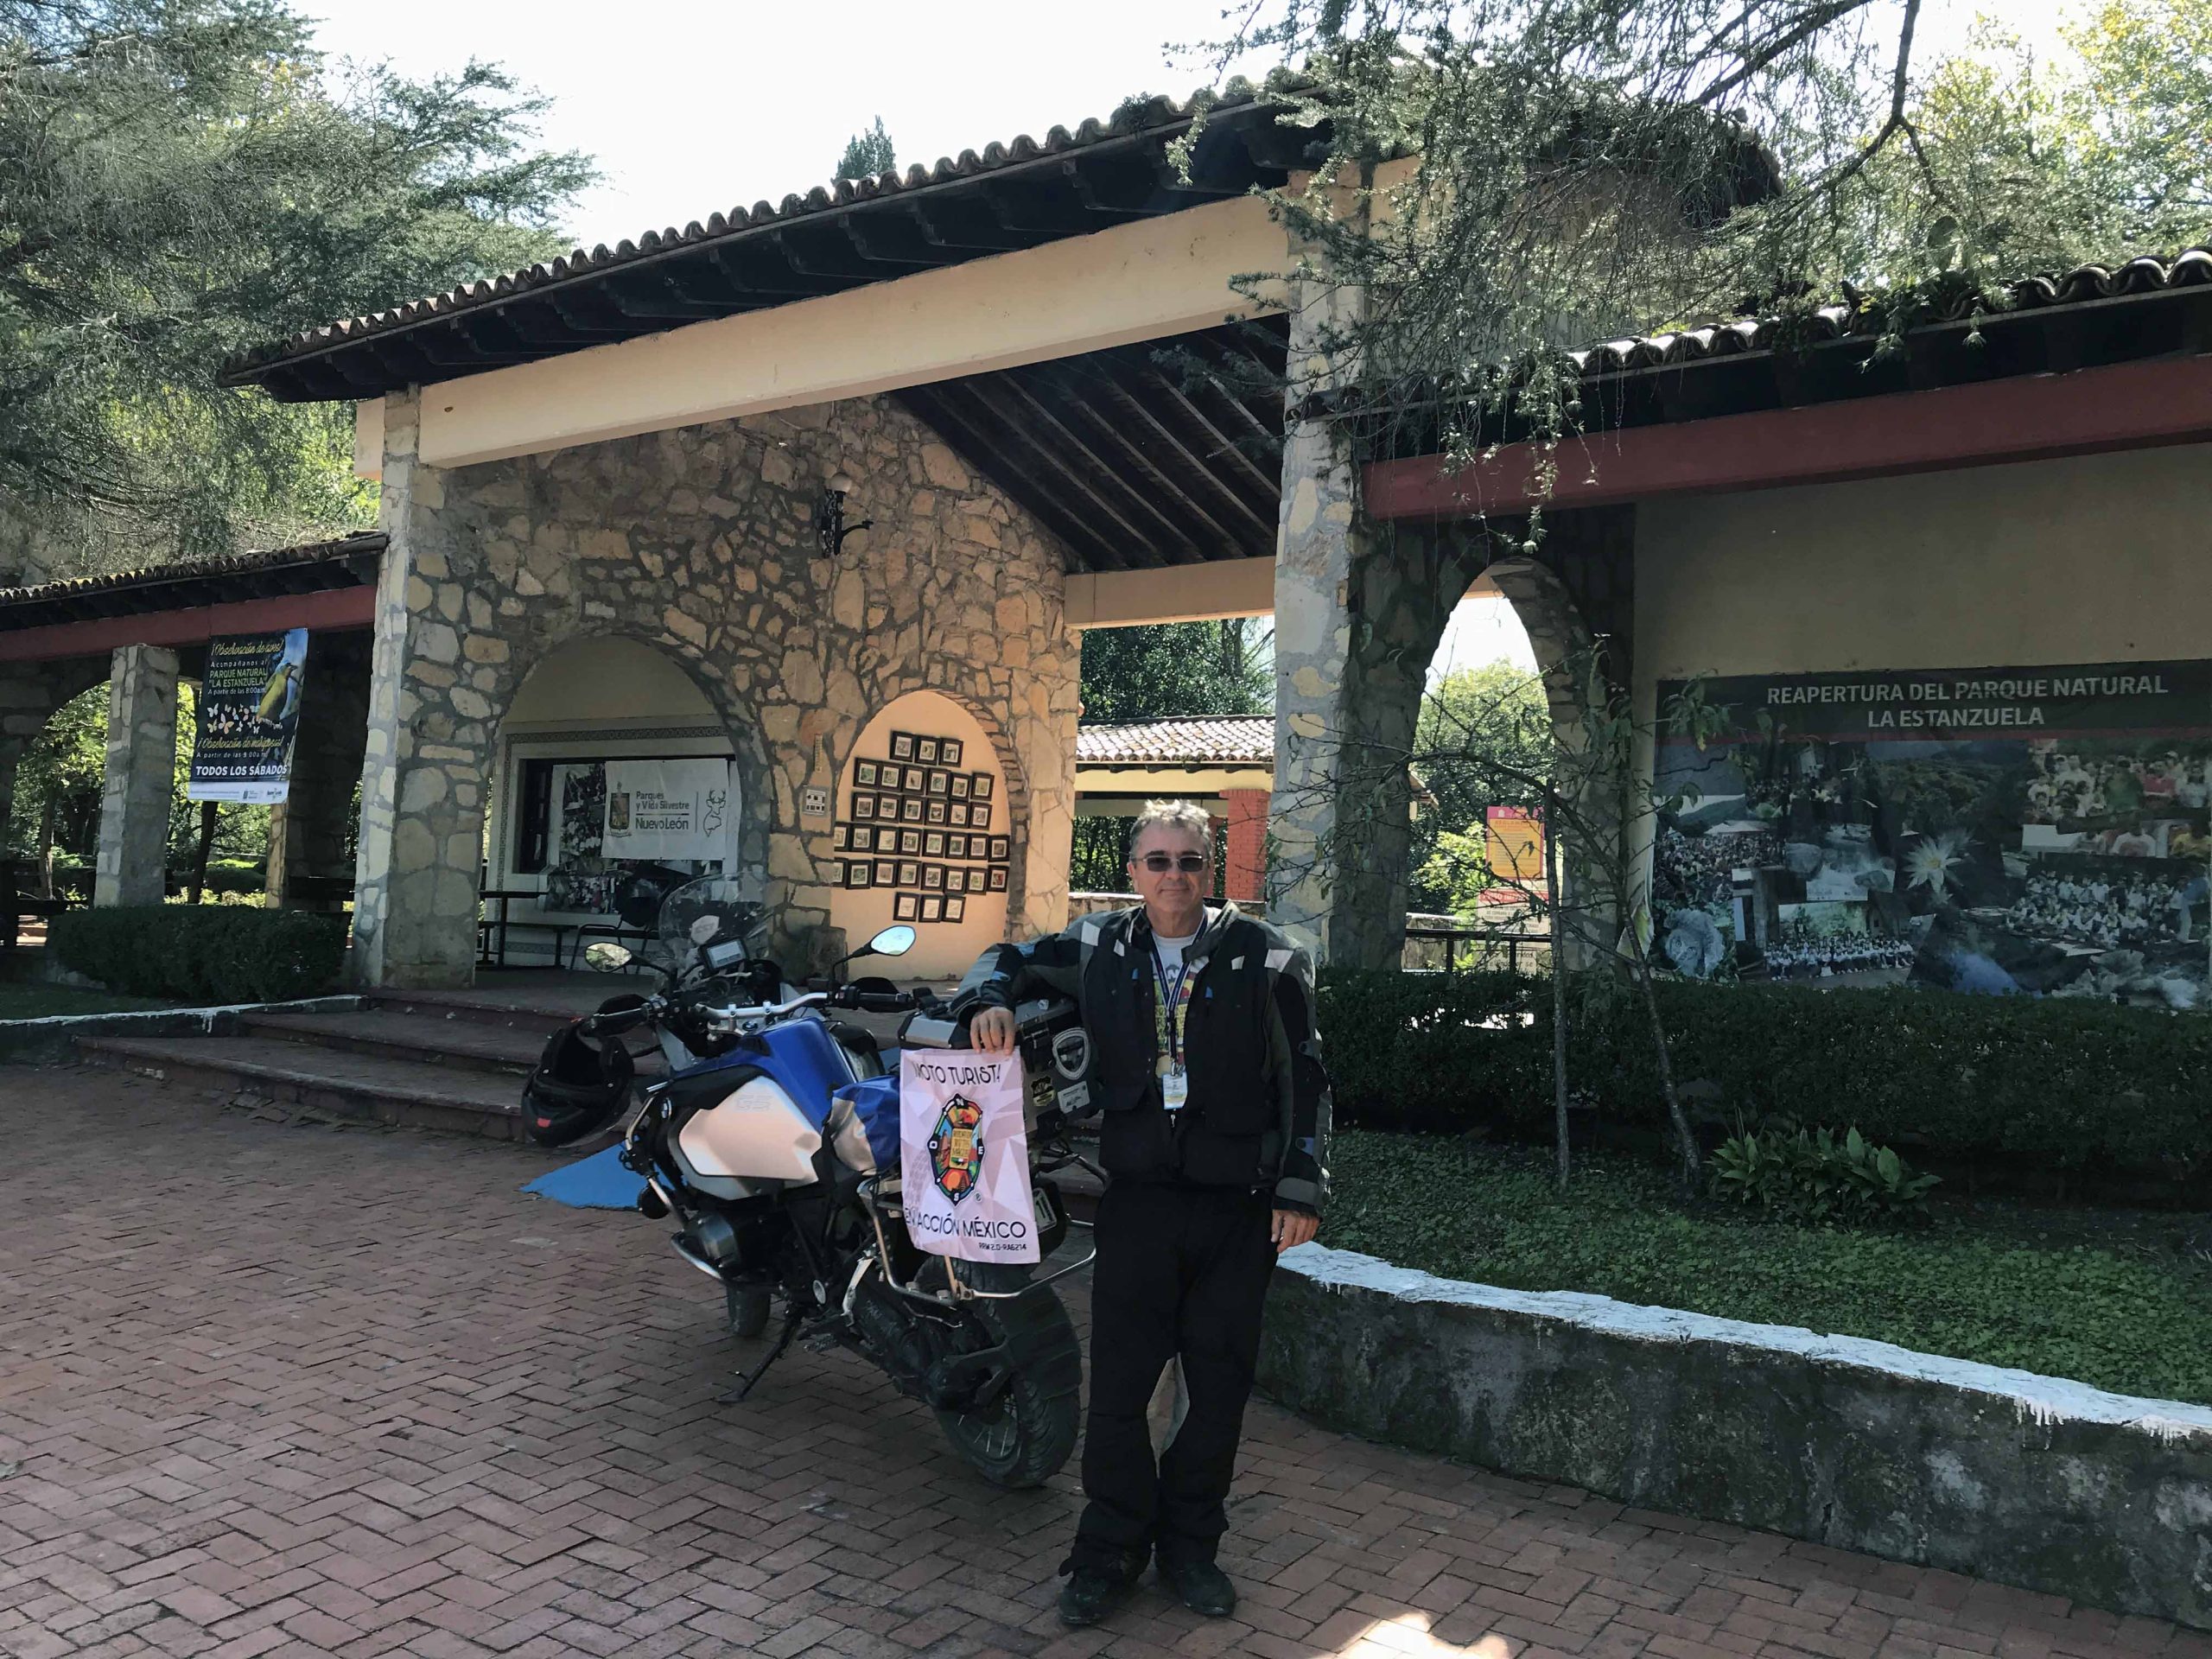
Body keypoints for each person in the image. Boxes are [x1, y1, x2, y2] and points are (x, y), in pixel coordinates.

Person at [968, 798, 1329, 1628]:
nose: (1174, 875)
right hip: (1136, 1203)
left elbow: (1306, 1079)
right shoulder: (1099, 944)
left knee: (1216, 1391)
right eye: (1158, 861)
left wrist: (1301, 1186)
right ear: (1133, 871)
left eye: (1189, 861)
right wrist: (986, 1000)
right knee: (1122, 1391)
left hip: (1236, 1208)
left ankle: (1191, 1549)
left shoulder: (1269, 955)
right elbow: (1006, 957)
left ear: (1210, 869)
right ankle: (1108, 1552)